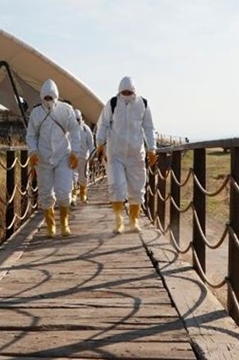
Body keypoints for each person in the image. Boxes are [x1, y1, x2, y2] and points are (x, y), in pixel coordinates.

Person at [95, 76, 157, 233]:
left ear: (134, 92)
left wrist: (152, 148)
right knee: (116, 185)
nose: (127, 95)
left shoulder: (143, 104)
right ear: (119, 92)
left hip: (135, 154)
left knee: (137, 187)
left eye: (129, 92)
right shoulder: (112, 104)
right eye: (124, 92)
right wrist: (100, 143)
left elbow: (149, 128)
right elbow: (103, 124)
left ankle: (134, 221)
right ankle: (119, 221)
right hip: (115, 153)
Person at [26, 79, 81, 238]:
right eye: (46, 97)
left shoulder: (66, 110)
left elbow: (75, 131)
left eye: (51, 97)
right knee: (45, 194)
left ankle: (64, 223)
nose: (48, 100)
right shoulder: (36, 113)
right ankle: (50, 225)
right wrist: (33, 152)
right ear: (42, 97)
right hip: (43, 159)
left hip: (63, 156)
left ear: (56, 96)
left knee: (64, 192)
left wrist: (75, 152)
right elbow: (31, 135)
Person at [73, 108, 95, 203]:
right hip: (72, 157)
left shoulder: (86, 129)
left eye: (78, 119)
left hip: (84, 158)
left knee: (83, 177)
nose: (77, 121)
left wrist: (92, 156)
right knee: (72, 177)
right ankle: (73, 195)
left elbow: (90, 143)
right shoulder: (69, 129)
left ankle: (83, 193)